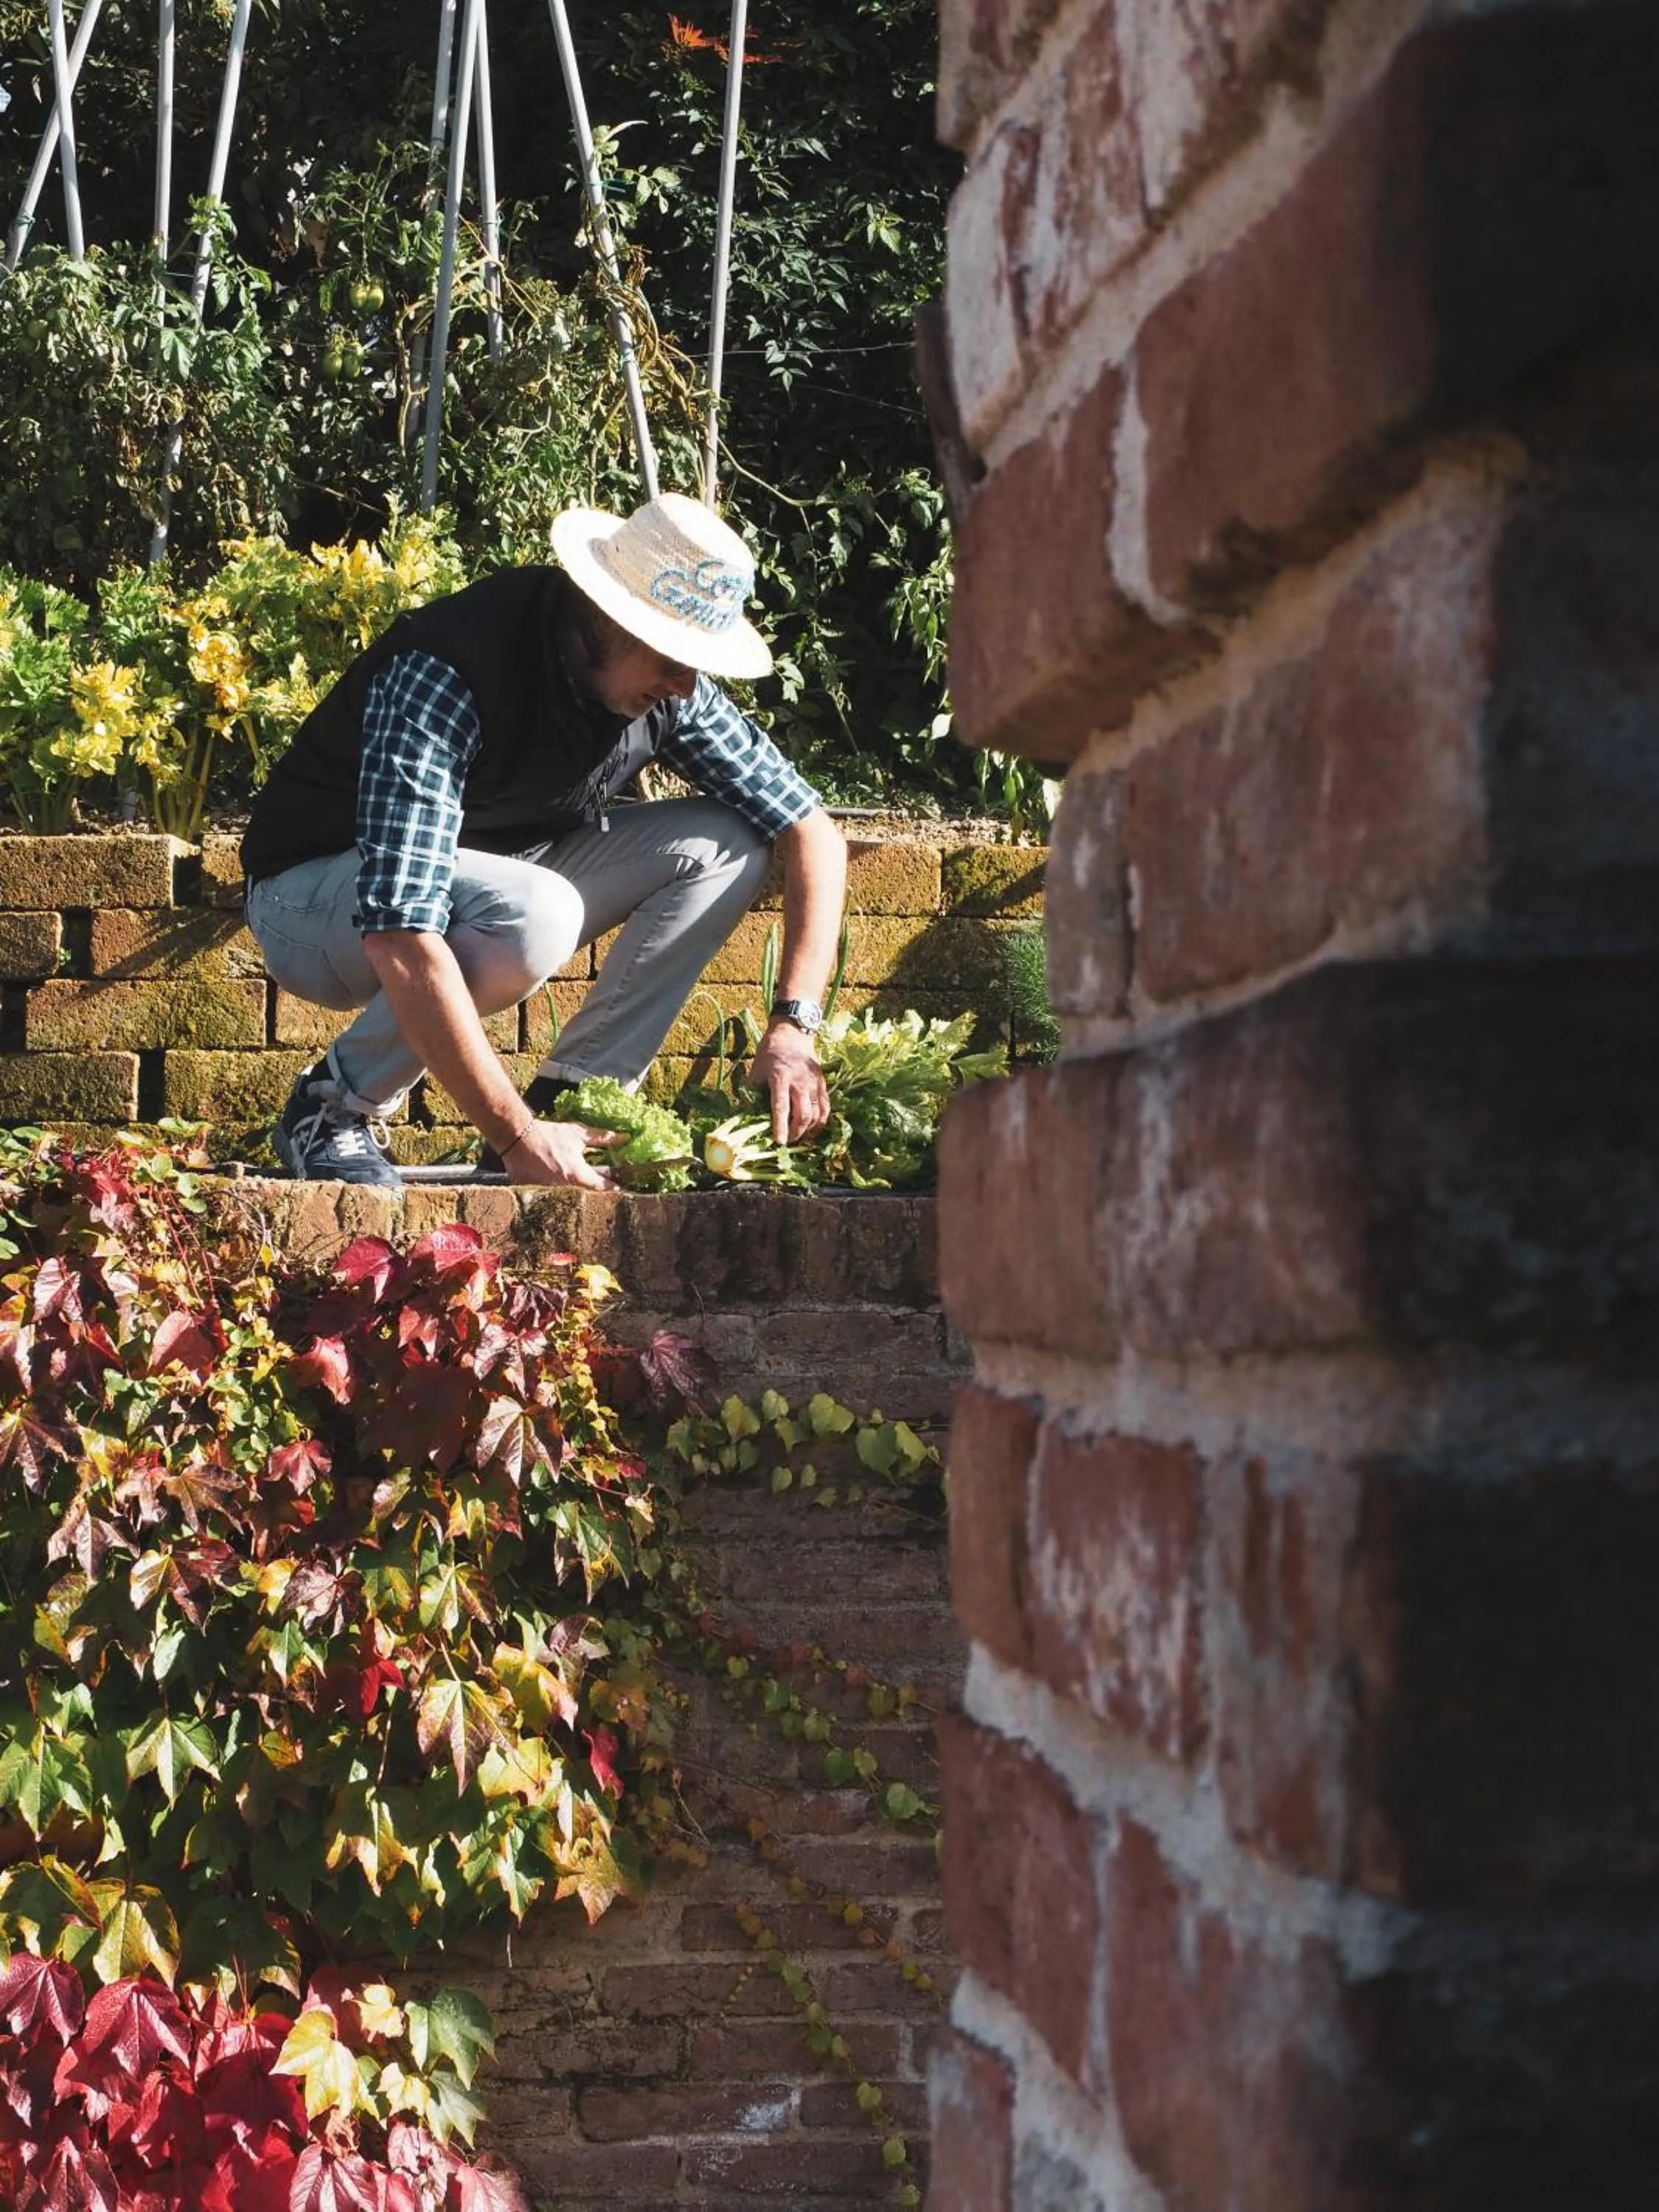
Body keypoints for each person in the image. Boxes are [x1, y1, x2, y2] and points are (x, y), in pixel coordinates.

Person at [239, 492, 847, 1188]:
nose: (686, 686)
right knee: (534, 912)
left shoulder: (669, 691)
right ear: (609, 622)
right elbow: (400, 933)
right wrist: (514, 1137)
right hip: (311, 901)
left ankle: (574, 1105)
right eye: (675, 658)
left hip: (492, 884)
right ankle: (332, 1110)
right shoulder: (451, 668)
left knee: (728, 839)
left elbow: (812, 830)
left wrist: (795, 1026)